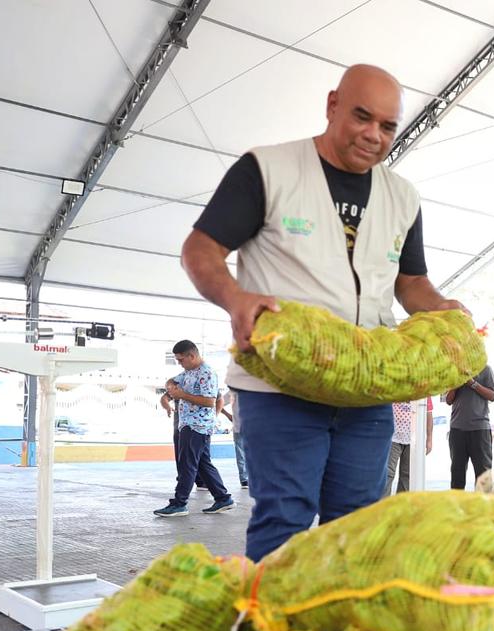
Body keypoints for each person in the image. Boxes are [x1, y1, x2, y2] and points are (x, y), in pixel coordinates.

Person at [180, 64, 467, 560]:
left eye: (387, 125)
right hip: (279, 388)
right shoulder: (268, 169)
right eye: (362, 117)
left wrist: (443, 309)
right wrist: (235, 298)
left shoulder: (403, 196)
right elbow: (200, 249)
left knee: (357, 527)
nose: (373, 135)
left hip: (366, 393)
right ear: (332, 105)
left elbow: (411, 282)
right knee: (286, 519)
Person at [154, 340, 234, 517]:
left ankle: (180, 503)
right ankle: (223, 498)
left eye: (181, 359)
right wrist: (171, 387)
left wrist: (182, 394)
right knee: (203, 464)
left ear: (192, 355)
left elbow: (210, 401)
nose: (179, 363)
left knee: (187, 465)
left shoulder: (206, 374)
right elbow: (170, 381)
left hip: (197, 426)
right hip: (188, 424)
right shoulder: (188, 372)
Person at [446, 366, 494, 490]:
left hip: (480, 430)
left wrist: (472, 383)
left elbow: (493, 396)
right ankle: (456, 506)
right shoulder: (455, 371)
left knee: (483, 475)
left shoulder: (486, 369)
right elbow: (448, 400)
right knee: (457, 473)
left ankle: (482, 508)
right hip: (457, 429)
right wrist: (457, 384)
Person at [384, 397, 433, 495]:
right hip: (392, 436)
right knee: (388, 473)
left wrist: (429, 439)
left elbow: (428, 414)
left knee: (407, 475)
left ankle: (401, 505)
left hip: (414, 439)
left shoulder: (424, 391)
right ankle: (383, 505)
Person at [221, 391, 248, 488]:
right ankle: (244, 479)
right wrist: (228, 415)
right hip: (239, 427)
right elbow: (219, 402)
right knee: (241, 454)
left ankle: (248, 479)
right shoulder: (234, 390)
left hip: (254, 427)